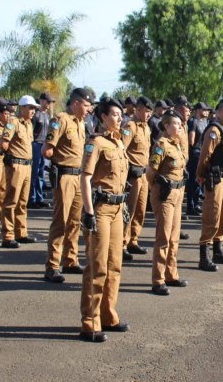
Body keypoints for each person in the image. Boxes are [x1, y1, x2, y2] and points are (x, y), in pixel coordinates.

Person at [79, 97, 130, 343]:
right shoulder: (96, 144)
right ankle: (90, 322)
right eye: (115, 115)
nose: (119, 119)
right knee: (97, 267)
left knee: (115, 265)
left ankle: (108, 315)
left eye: (121, 115)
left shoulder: (119, 144)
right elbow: (86, 179)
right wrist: (88, 212)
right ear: (102, 117)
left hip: (118, 209)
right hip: (100, 210)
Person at [42, 88, 93, 283]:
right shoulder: (61, 120)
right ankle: (52, 265)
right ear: (76, 103)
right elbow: (47, 150)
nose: (89, 109)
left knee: (74, 222)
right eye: (86, 105)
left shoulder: (81, 123)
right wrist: (56, 163)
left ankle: (70, 260)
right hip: (64, 177)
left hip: (78, 177)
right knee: (60, 222)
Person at [148, 110, 188, 295]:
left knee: (174, 237)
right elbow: (151, 171)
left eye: (180, 125)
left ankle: (171, 274)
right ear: (166, 126)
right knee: (163, 237)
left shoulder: (177, 144)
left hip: (178, 193)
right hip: (165, 194)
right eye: (176, 124)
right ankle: (158, 279)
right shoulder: (161, 145)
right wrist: (155, 188)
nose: (179, 127)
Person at [195, 99, 223, 271]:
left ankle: (218, 251)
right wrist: (200, 175)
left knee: (222, 217)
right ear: (220, 112)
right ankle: (204, 256)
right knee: (211, 217)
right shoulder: (213, 131)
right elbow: (205, 156)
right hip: (215, 180)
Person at [0, 95, 40, 248]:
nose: (32, 111)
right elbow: (4, 143)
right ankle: (8, 236)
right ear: (21, 108)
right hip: (16, 165)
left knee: (23, 202)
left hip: (27, 166)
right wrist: (10, 158)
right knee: (11, 201)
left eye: (34, 108)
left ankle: (20, 233)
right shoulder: (13, 122)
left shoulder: (28, 124)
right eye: (30, 107)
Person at [121, 96, 153, 261]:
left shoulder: (146, 128)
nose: (148, 115)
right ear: (137, 110)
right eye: (146, 111)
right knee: (129, 211)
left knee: (140, 211)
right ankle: (122, 244)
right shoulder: (130, 126)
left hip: (144, 175)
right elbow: (121, 150)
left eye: (150, 112)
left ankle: (133, 239)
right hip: (132, 175)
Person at [29, 92, 54, 209]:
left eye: (50, 102)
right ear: (42, 100)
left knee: (41, 174)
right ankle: (31, 198)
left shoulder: (46, 115)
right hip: (35, 144)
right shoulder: (36, 114)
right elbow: (30, 131)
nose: (49, 104)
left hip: (43, 144)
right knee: (34, 173)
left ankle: (39, 198)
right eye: (47, 101)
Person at [186, 102, 209, 215]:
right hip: (195, 152)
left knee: (199, 180)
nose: (206, 111)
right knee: (192, 180)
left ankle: (196, 203)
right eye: (204, 109)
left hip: (202, 152)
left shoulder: (205, 122)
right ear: (198, 110)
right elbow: (191, 140)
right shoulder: (193, 122)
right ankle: (190, 206)